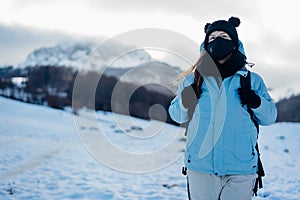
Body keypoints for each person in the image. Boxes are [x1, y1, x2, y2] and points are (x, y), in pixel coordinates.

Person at [168, 17, 277, 200]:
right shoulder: (193, 80)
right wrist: (186, 100)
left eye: (223, 36)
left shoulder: (251, 80)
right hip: (200, 167)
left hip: (240, 169)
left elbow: (270, 117)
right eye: (212, 38)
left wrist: (256, 102)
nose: (217, 41)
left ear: (234, 44)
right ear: (206, 45)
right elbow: (175, 115)